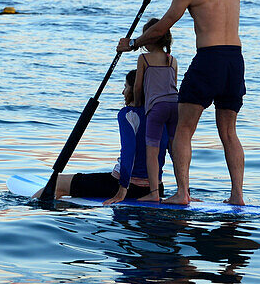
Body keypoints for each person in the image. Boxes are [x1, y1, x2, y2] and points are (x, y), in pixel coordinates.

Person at [117, 0, 246, 206]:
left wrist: (133, 44)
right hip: (235, 60)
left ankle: (182, 193)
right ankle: (237, 196)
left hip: (209, 59)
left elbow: (163, 27)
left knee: (184, 130)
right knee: (228, 132)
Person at [33, 70, 169, 205]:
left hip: (123, 187)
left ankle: (29, 211)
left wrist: (122, 189)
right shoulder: (161, 115)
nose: (123, 92)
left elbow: (129, 151)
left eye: (125, 87)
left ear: (135, 90)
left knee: (57, 182)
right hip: (156, 188)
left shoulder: (128, 114)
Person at [133, 16, 179, 202]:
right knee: (176, 151)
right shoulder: (172, 60)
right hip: (176, 106)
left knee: (152, 152)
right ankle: (184, 190)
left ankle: (153, 193)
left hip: (156, 108)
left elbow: (137, 86)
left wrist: (137, 105)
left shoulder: (144, 58)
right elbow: (174, 84)